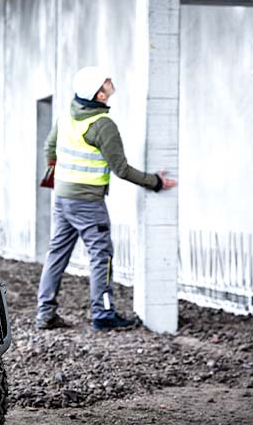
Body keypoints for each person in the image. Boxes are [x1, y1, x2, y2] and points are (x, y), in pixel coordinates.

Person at [36, 66, 177, 331]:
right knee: (101, 256)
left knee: (56, 255)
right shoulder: (103, 125)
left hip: (63, 199)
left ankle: (45, 314)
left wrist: (63, 178)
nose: (111, 82)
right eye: (106, 82)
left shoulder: (67, 117)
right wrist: (156, 182)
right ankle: (103, 314)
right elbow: (121, 169)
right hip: (88, 203)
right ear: (100, 96)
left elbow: (49, 148)